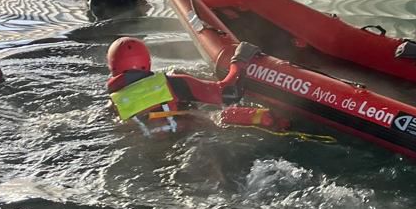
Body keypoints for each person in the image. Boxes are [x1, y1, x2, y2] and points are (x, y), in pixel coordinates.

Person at [106, 37, 287, 137]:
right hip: (191, 136)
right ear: (147, 61)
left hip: (151, 150)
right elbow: (228, 95)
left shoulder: (114, 104)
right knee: (224, 116)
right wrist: (239, 62)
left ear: (113, 67)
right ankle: (284, 123)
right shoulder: (172, 84)